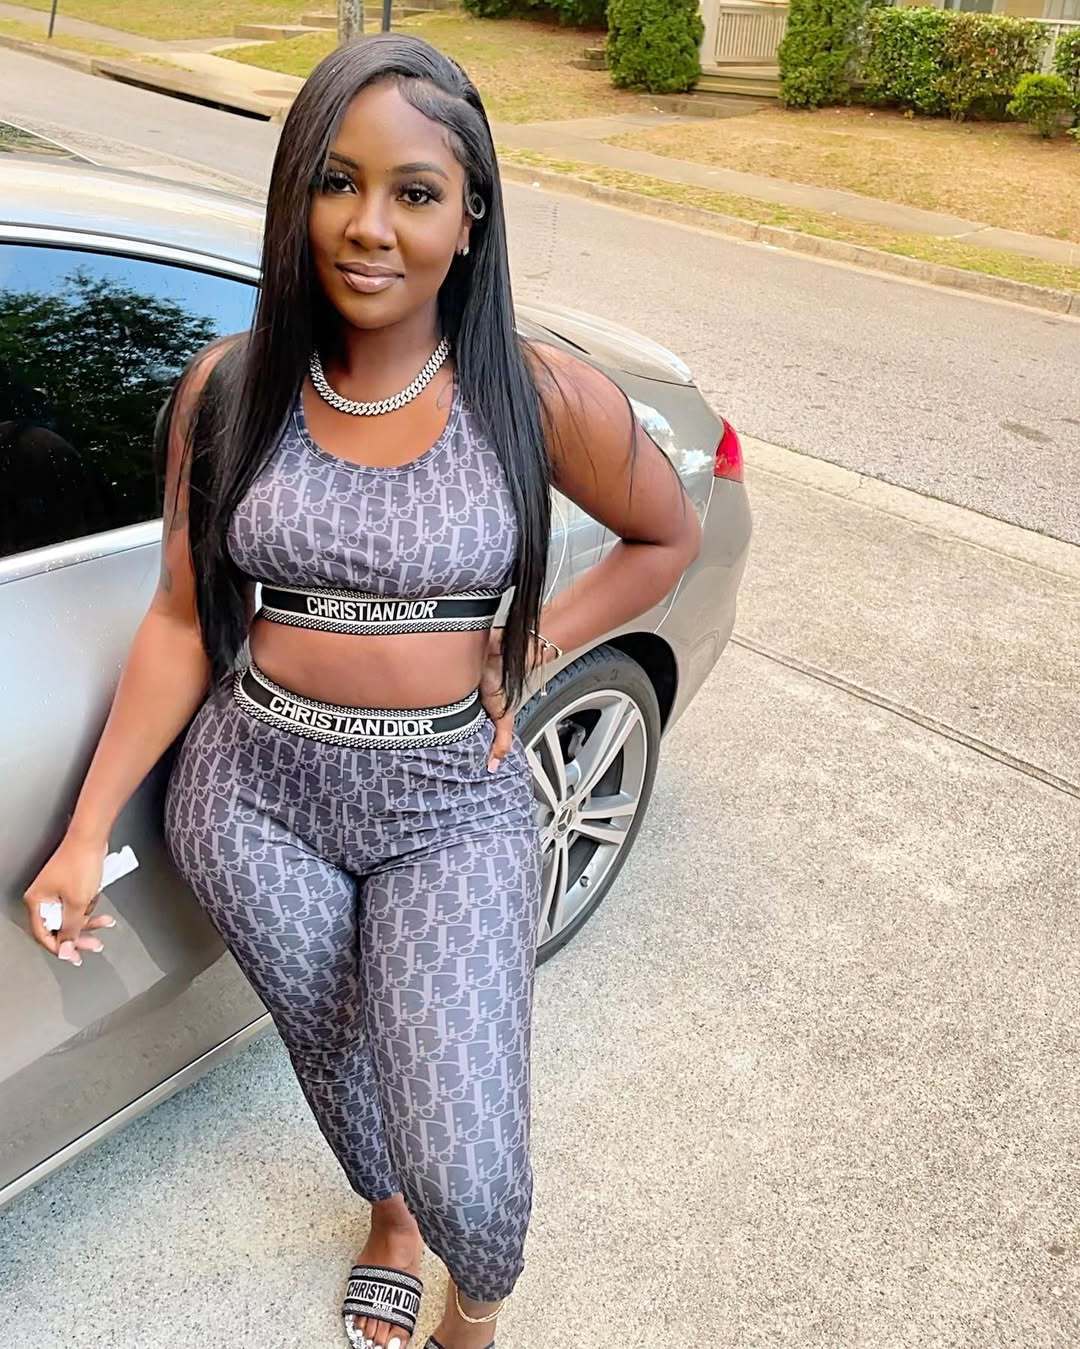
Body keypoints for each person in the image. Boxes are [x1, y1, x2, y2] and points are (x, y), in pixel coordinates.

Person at [22, 33, 701, 1349]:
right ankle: (386, 1214)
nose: (370, 225)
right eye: (337, 181)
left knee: (471, 1158)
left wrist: (534, 648)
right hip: (250, 796)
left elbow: (663, 535)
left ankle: (473, 1305)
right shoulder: (232, 388)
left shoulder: (535, 394)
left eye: (415, 191)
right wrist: (87, 828)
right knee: (335, 1045)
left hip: (449, 800)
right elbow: (182, 617)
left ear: (471, 214)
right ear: (298, 195)